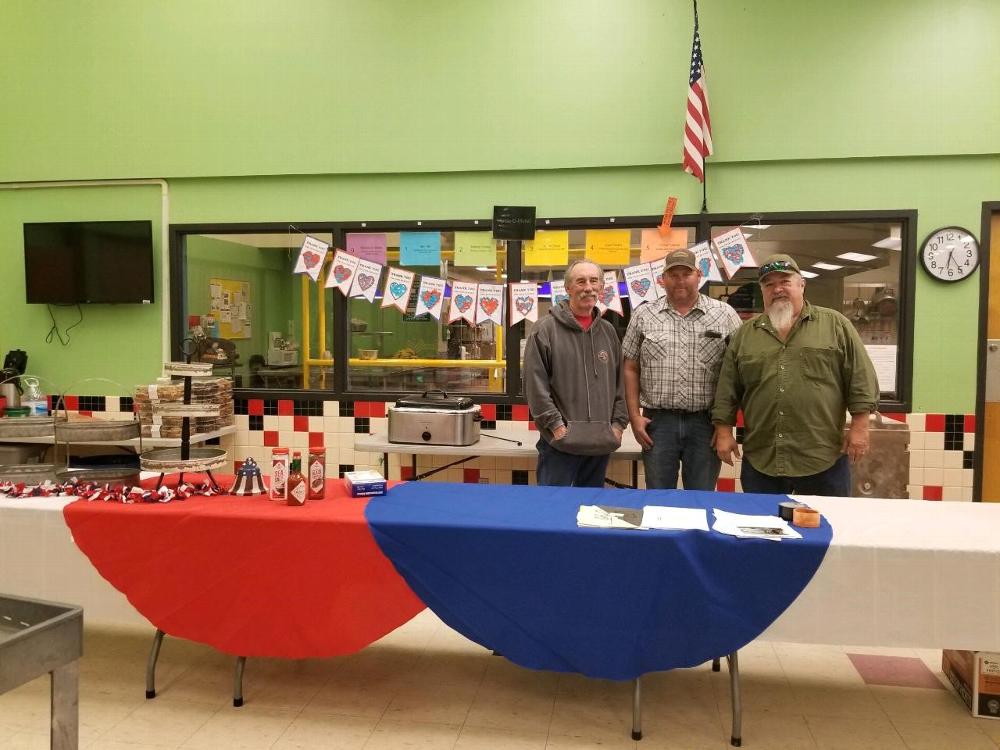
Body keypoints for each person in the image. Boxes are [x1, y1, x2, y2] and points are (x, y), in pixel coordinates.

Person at [711, 254, 879, 496]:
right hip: (762, 458)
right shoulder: (745, 335)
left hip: (822, 456)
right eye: (769, 284)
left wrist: (860, 428)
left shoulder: (836, 325)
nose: (777, 289)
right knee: (762, 529)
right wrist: (724, 432)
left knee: (826, 526)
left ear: (801, 284)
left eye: (785, 281)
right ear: (763, 291)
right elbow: (727, 388)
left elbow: (860, 377)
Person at [622, 249, 741, 489]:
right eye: (672, 274)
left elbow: (738, 371)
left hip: (706, 424)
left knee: (701, 498)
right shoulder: (644, 315)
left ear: (699, 275)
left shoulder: (724, 315)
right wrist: (634, 417)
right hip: (658, 424)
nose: (679, 280)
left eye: (686, 273)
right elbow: (630, 367)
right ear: (662, 279)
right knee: (658, 499)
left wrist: (725, 424)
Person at [523, 259, 629, 487]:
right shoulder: (544, 330)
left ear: (601, 288)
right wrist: (557, 427)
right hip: (560, 445)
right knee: (553, 513)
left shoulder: (608, 332)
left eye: (594, 281)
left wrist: (618, 426)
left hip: (600, 444)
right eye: (581, 281)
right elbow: (535, 387)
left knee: (590, 516)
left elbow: (620, 384)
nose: (588, 287)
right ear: (568, 288)